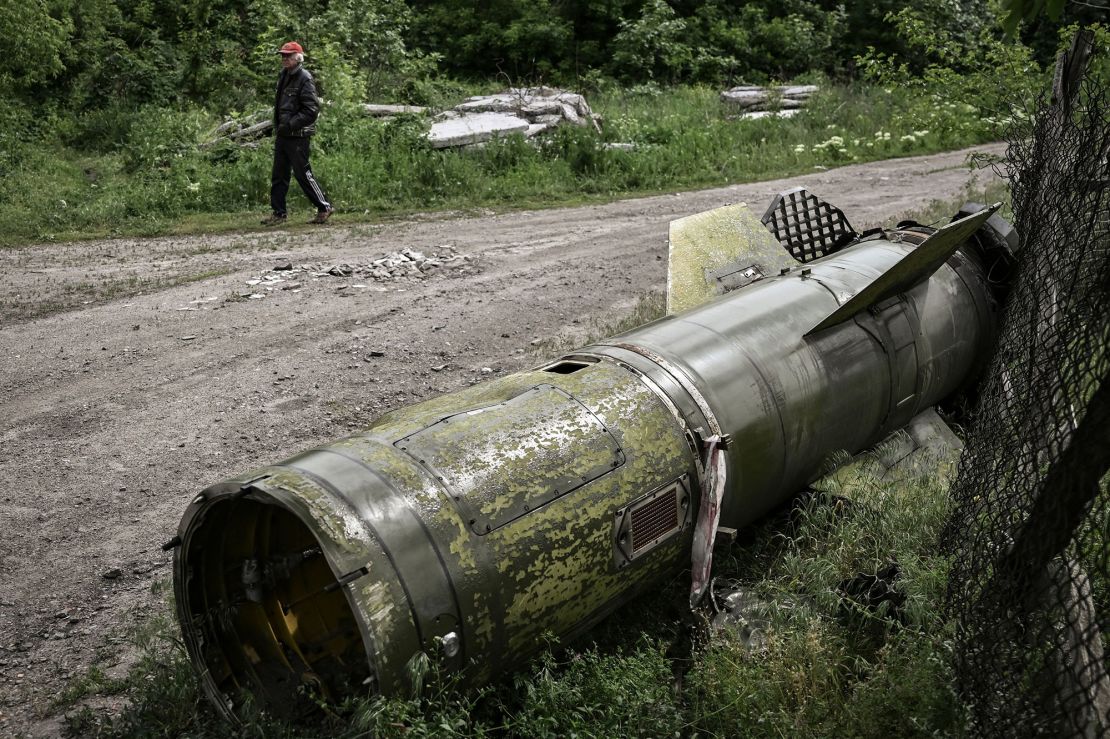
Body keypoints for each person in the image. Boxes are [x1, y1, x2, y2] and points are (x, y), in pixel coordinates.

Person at [262, 41, 334, 226]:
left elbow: (311, 110)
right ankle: (279, 213)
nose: (284, 59)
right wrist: (280, 126)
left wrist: (291, 125)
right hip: (284, 133)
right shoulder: (284, 75)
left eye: (288, 55)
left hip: (298, 135)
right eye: (283, 55)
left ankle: (324, 206)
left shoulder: (305, 78)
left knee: (303, 174)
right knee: (279, 174)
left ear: (298, 58)